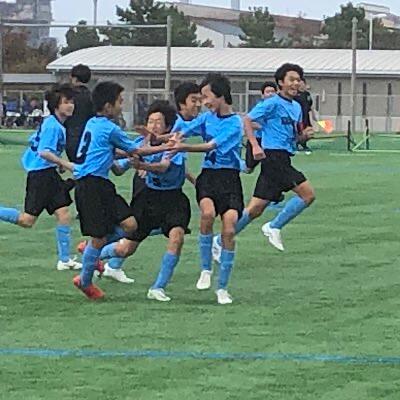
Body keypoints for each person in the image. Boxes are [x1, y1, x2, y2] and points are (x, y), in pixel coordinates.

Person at [72, 81, 172, 300]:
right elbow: (137, 150)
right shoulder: (110, 128)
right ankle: (85, 281)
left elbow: (113, 157)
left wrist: (128, 158)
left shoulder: (93, 123)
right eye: (119, 101)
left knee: (130, 225)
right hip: (91, 186)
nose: (122, 105)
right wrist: (169, 146)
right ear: (108, 106)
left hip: (101, 185)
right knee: (100, 237)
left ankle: (91, 251)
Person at [101, 83, 201, 283]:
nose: (198, 104)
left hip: (168, 192)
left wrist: (193, 180)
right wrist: (107, 156)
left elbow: (172, 162)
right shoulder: (167, 130)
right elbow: (125, 161)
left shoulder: (181, 129)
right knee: (135, 232)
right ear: (182, 103)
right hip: (147, 190)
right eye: (194, 100)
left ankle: (113, 261)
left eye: (200, 100)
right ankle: (101, 251)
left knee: (165, 231)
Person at [213, 63, 315, 259]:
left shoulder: (296, 107)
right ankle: (274, 226)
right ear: (280, 83)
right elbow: (247, 120)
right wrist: (255, 145)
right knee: (307, 195)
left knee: (255, 209)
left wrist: (303, 136)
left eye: (298, 80)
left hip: (283, 156)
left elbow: (291, 137)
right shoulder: (272, 103)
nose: (295, 83)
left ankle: (219, 241)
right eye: (291, 79)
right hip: (274, 158)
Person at [171, 73, 244, 305]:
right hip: (208, 178)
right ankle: (205, 269)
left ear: (221, 96)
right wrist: (166, 137)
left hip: (230, 180)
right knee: (207, 214)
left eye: (206, 96)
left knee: (229, 230)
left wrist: (182, 146)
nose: (203, 102)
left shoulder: (235, 123)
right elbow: (184, 129)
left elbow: (211, 145)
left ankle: (222, 288)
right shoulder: (207, 118)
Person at [0, 84, 81, 271]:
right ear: (56, 105)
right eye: (66, 102)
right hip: (41, 176)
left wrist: (57, 163)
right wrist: (65, 164)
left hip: (47, 173)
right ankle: (64, 259)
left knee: (64, 214)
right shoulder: (53, 126)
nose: (71, 105)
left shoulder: (53, 123)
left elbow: (37, 145)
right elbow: (44, 152)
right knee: (27, 220)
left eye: (71, 102)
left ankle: (65, 260)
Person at [245, 81, 278, 173]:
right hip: (257, 139)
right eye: (268, 92)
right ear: (263, 95)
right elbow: (248, 122)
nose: (270, 94)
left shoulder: (279, 107)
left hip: (271, 142)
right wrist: (261, 127)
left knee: (271, 167)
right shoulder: (259, 107)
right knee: (249, 168)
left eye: (273, 91)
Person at [65, 64, 94, 162]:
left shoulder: (68, 97)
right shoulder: (92, 97)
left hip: (71, 137)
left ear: (75, 78)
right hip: (88, 138)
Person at [294, 78, 314, 155]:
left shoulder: (307, 94)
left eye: (302, 84)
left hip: (306, 116)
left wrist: (313, 115)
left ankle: (304, 144)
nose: (301, 86)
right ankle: (296, 144)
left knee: (308, 131)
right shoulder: (295, 94)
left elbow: (310, 105)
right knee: (299, 131)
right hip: (298, 117)